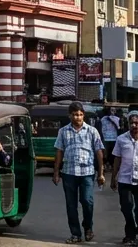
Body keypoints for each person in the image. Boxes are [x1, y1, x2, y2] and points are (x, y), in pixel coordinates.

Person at [53, 100, 106, 243]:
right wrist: (56, 172)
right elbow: (59, 152)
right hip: (69, 173)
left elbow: (99, 152)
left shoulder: (92, 131)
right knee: (71, 205)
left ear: (84, 116)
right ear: (70, 115)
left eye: (81, 114)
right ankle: (75, 234)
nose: (78, 117)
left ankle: (88, 228)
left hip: (87, 173)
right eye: (75, 115)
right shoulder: (63, 131)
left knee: (87, 201)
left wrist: (100, 173)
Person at [111, 111, 138, 245]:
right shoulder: (121, 139)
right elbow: (117, 159)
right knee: (126, 208)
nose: (134, 125)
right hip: (125, 180)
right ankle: (131, 234)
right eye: (131, 123)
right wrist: (113, 178)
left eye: (136, 123)